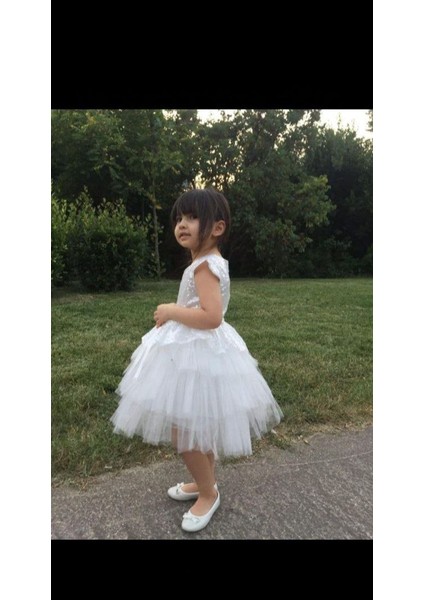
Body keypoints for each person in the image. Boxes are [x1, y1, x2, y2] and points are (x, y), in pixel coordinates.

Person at [111, 188, 283, 533]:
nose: (182, 224)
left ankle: (208, 493)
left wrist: (171, 311)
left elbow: (211, 316)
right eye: (179, 218)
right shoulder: (206, 262)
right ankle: (204, 481)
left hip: (199, 354)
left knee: (185, 436)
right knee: (198, 429)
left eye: (192, 218)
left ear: (217, 228)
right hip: (197, 354)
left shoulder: (205, 266)